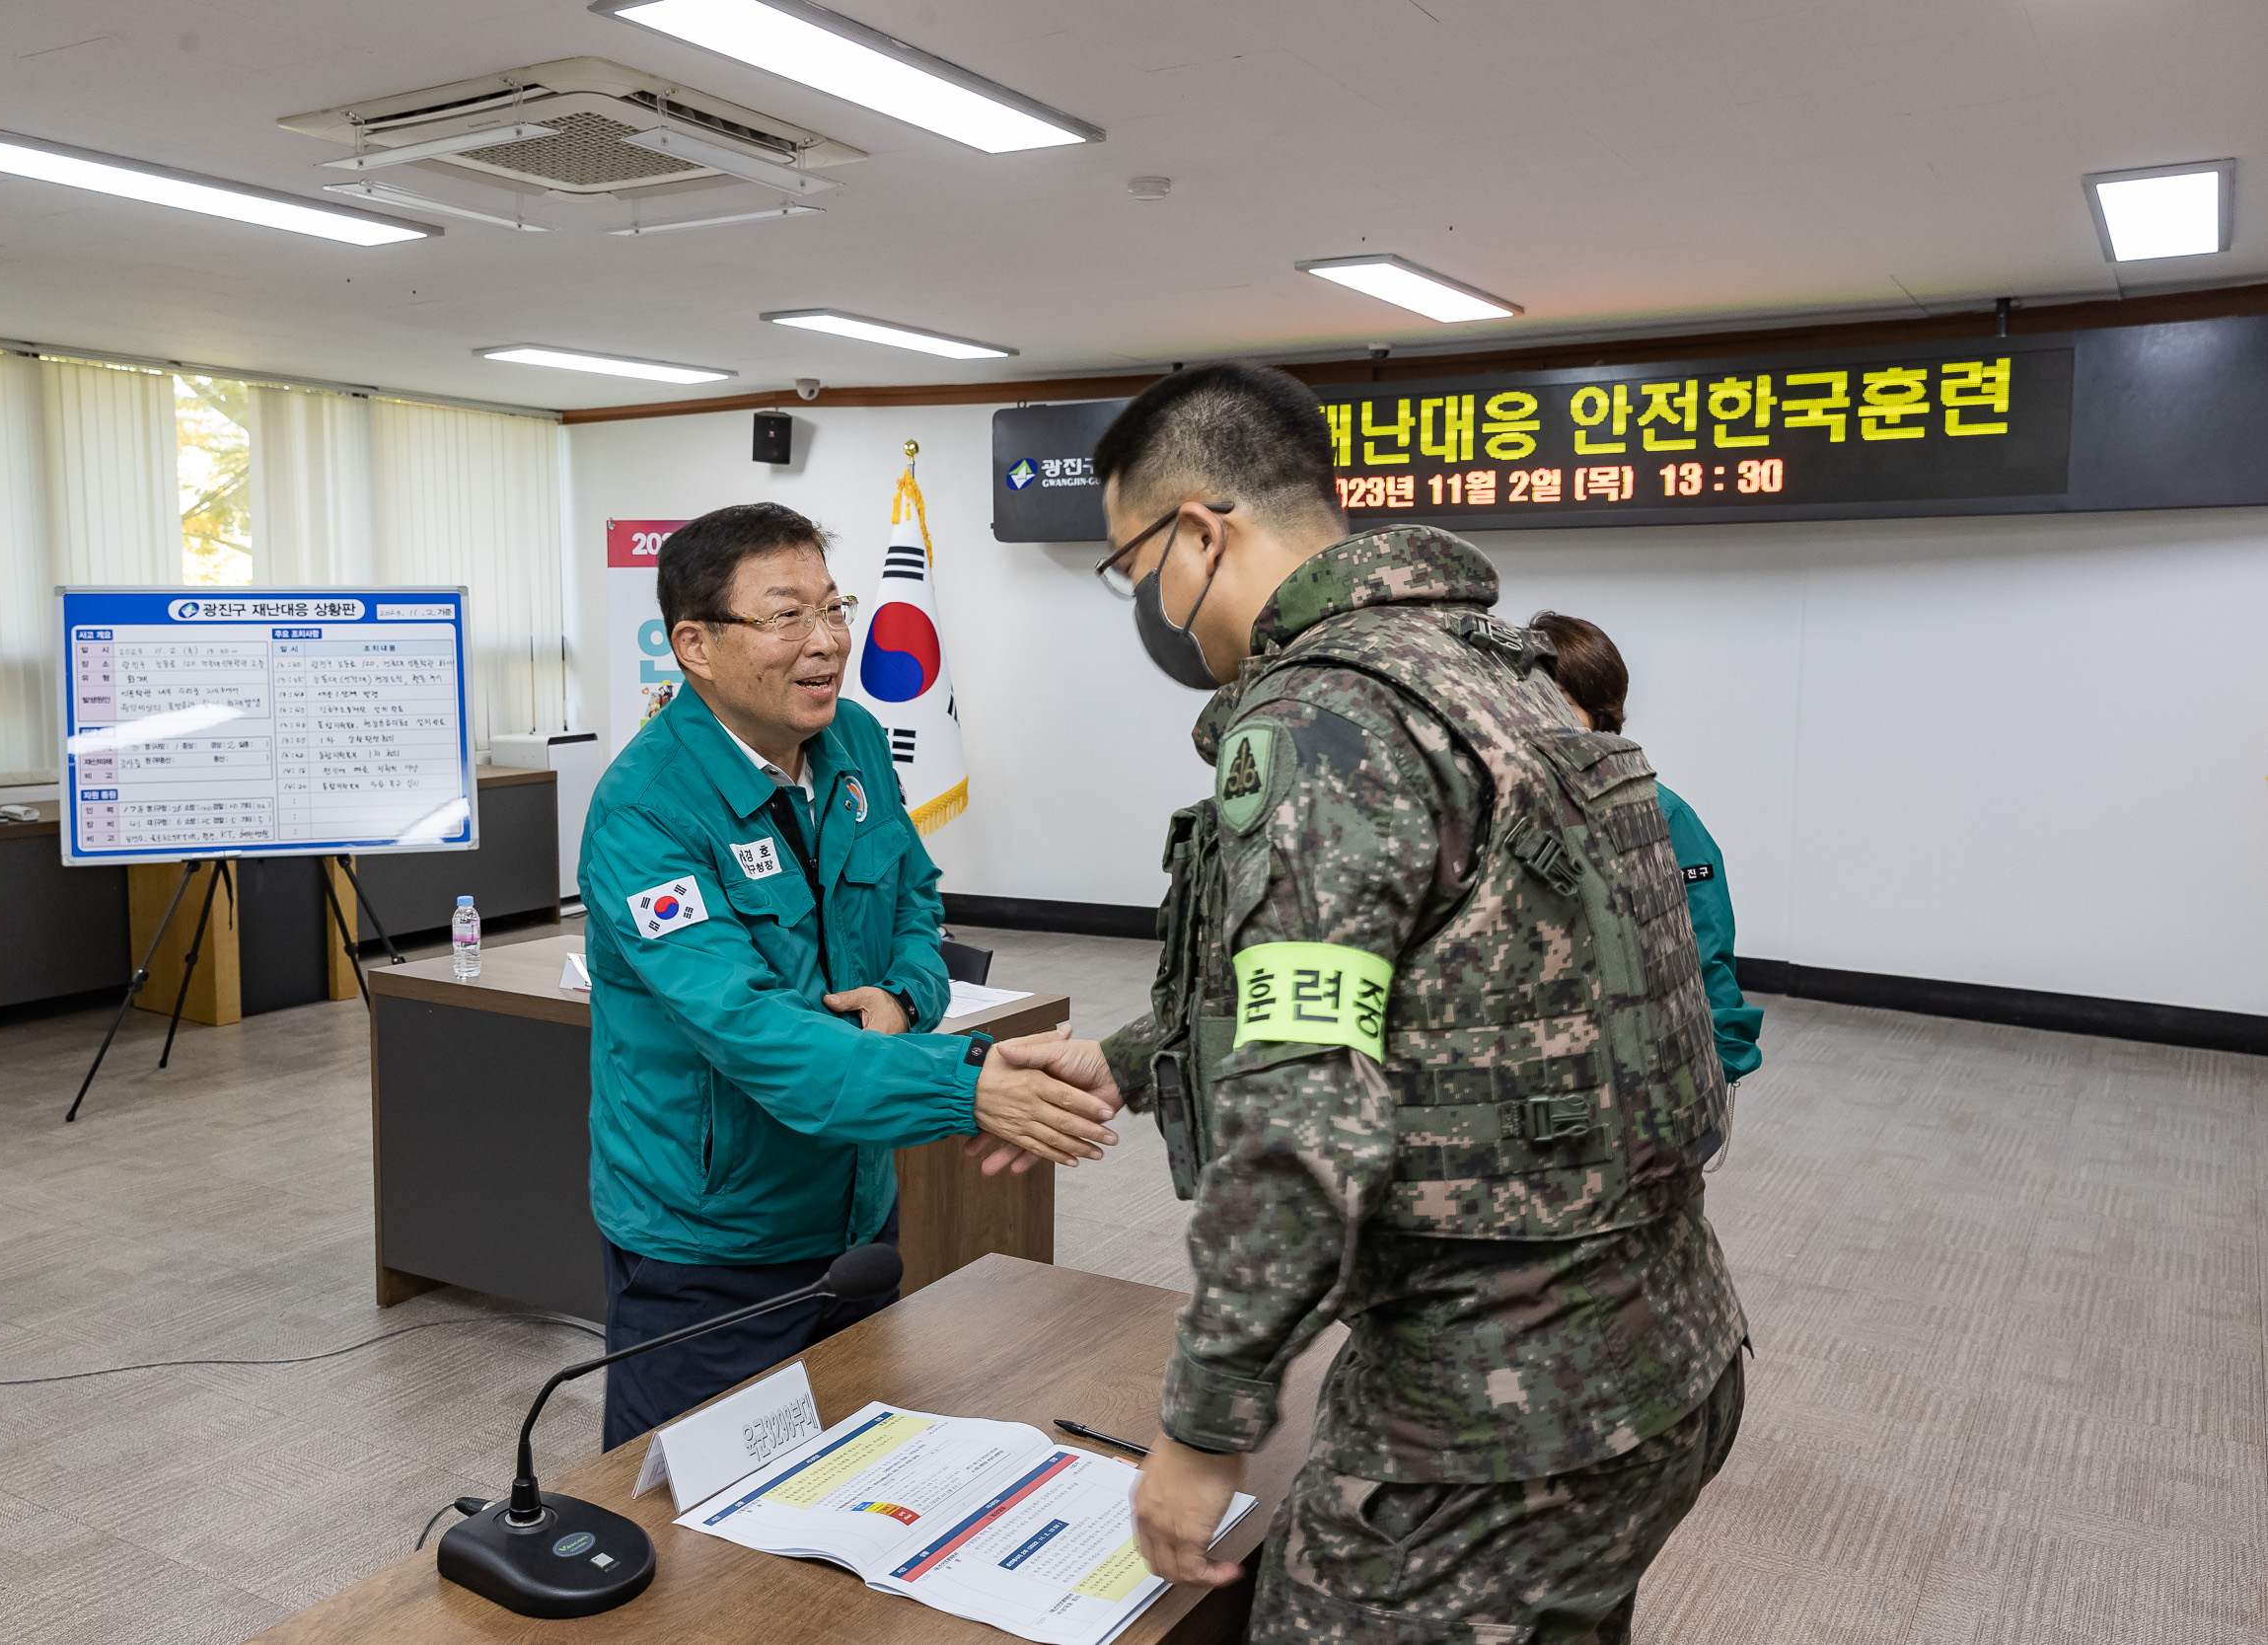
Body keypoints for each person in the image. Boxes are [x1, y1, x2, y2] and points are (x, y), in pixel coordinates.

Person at [980, 365, 1746, 1642]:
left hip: (1490, 1419)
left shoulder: (1321, 718)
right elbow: (1463, 976)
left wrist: (1204, 1421)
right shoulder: (1493, 666)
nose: (1149, 606)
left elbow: (1303, 1113)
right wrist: (1136, 1054)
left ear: (1202, 531)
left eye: (1132, 567)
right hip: (1667, 1352)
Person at [578, 501, 1120, 1447]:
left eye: (836, 608)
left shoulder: (858, 742)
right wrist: (968, 1087)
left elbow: (915, 900)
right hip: (713, 1243)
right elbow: (755, 1033)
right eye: (787, 616)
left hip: (860, 1212)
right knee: (697, 1539)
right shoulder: (645, 812)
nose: (828, 642)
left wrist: (909, 994)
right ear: (695, 646)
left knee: (851, 1475)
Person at [1530, 612, 1763, 1154]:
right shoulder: (1499, 804)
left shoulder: (1661, 814)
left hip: (1635, 1087)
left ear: (1596, 707)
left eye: (1558, 698)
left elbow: (1703, 952)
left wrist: (1717, 1069)